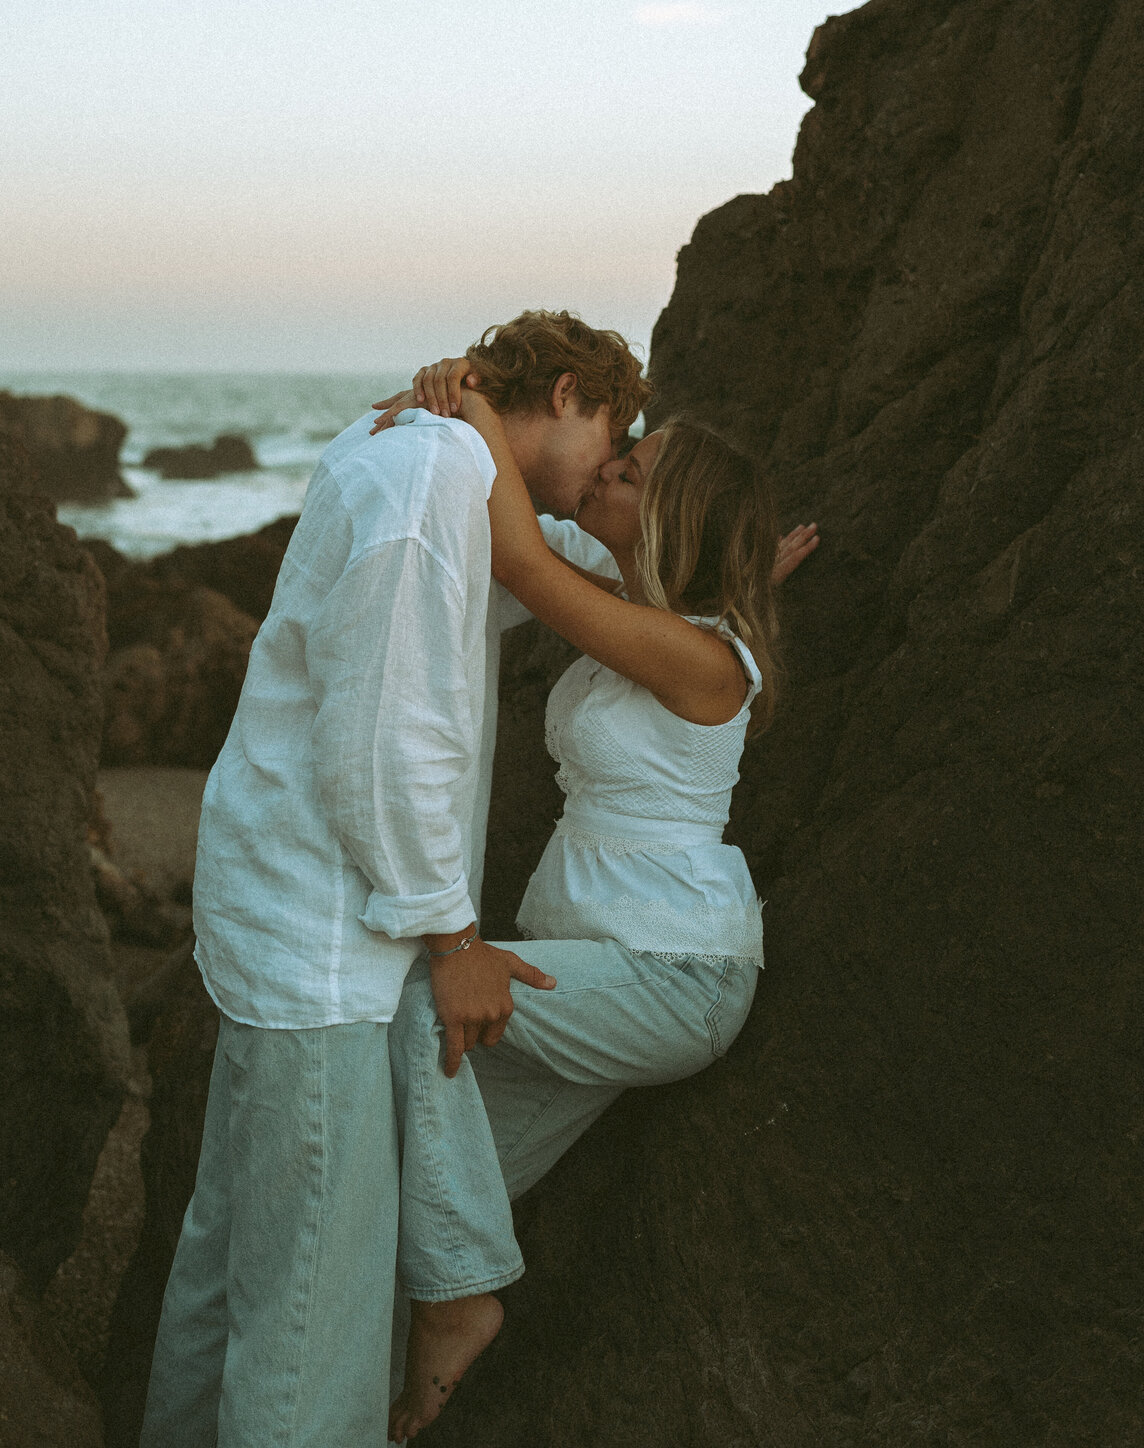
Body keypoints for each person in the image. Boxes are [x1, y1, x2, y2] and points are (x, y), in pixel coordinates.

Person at [139, 312, 654, 1448]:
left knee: (233, 1273)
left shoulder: (430, 467)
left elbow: (547, 568)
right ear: (568, 393)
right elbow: (383, 737)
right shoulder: (429, 481)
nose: (607, 470)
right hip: (329, 949)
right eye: (614, 434)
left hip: (287, 924)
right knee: (309, 1326)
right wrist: (452, 940)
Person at [373, 362, 817, 1444]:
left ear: (673, 511)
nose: (609, 472)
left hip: (673, 976)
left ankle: (461, 1307)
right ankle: (399, 1392)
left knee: (428, 1014)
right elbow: (587, 569)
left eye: (632, 470)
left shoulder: (703, 655)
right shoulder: (660, 620)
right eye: (617, 457)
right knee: (405, 1201)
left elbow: (523, 562)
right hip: (594, 967)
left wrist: (478, 414)